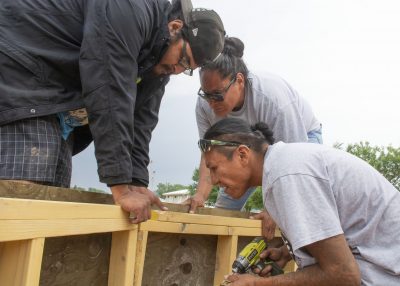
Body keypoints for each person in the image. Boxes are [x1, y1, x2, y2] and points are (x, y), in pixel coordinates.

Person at [0, 0, 225, 223]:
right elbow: (109, 89)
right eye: (183, 60)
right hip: (18, 68)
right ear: (174, 28)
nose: (177, 70)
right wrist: (120, 186)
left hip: (52, 96)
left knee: (52, 202)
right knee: (24, 202)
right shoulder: (131, 9)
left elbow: (142, 120)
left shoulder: (160, 60)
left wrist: (136, 182)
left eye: (187, 69)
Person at [199, 117, 400, 286]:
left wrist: (259, 283)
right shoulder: (282, 167)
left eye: (214, 168)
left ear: (242, 154)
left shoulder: (287, 176)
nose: (214, 181)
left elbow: (344, 275)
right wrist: (289, 252)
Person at [186, 37, 322, 217]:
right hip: (247, 148)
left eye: (217, 95)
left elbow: (295, 163)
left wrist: (274, 210)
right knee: (223, 211)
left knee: (294, 213)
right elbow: (210, 153)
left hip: (298, 144)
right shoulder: (204, 106)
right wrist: (200, 195)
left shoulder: (271, 98)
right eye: (206, 95)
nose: (211, 103)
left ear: (239, 81)